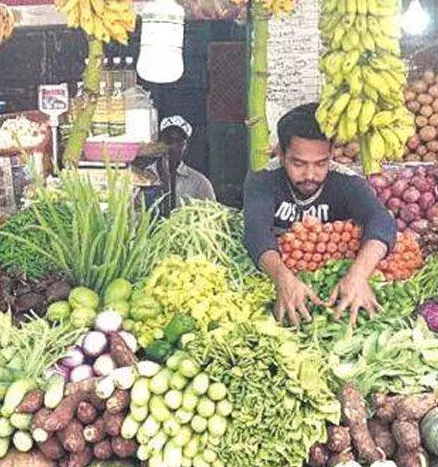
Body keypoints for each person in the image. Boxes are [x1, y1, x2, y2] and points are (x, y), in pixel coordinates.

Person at [243, 103, 398, 327]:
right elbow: (256, 232)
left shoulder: (346, 181)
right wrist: (282, 278)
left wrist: (358, 275)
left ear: (332, 152)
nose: (310, 175)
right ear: (281, 153)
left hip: (335, 288)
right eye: (298, 163)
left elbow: (381, 220)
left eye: (321, 163)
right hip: (279, 278)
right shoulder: (263, 179)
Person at [148, 115, 216, 214]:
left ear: (185, 146)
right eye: (168, 140)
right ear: (159, 143)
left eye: (179, 142)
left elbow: (211, 214)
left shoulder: (199, 182)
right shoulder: (144, 177)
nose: (173, 146)